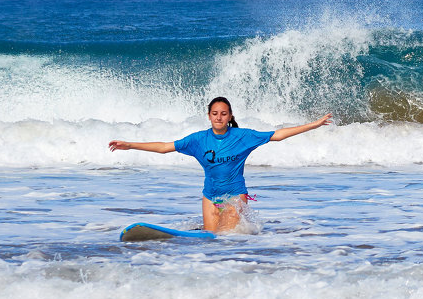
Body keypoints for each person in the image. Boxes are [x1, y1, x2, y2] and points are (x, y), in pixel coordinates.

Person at [109, 97, 332, 232]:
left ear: (229, 116)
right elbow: (164, 147)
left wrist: (315, 124)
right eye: (215, 113)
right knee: (210, 242)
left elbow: (278, 135)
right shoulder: (197, 140)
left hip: (235, 196)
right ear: (209, 116)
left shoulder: (243, 136)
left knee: (225, 240)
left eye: (223, 114)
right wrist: (130, 145)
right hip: (209, 197)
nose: (219, 117)